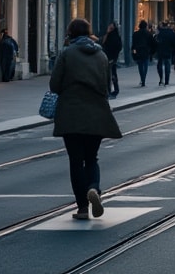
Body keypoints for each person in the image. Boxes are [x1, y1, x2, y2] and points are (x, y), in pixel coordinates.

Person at [50, 19, 123, 220]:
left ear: (70, 33)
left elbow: (54, 84)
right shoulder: (101, 54)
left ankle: (82, 208)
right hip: (97, 113)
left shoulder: (66, 53)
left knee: (76, 161)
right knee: (91, 158)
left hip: (71, 114)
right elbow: (106, 87)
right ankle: (94, 188)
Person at [130, 21, 155, 87]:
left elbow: (133, 44)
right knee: (145, 64)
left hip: (138, 50)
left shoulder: (136, 34)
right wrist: (152, 52)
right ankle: (143, 78)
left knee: (140, 65)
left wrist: (133, 51)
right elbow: (152, 43)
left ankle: (142, 78)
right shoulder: (149, 34)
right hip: (146, 51)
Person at [101, 22, 123, 99]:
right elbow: (103, 42)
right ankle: (112, 90)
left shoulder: (114, 36)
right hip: (110, 57)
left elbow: (104, 44)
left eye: (110, 25)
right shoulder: (111, 35)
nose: (109, 26)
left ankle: (111, 91)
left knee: (111, 75)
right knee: (112, 74)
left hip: (111, 57)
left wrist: (113, 56)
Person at [155, 21, 175, 86]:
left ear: (162, 26)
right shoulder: (171, 33)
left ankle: (161, 79)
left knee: (160, 65)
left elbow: (156, 42)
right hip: (168, 51)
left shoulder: (159, 33)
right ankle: (167, 81)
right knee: (167, 65)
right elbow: (174, 42)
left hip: (160, 51)